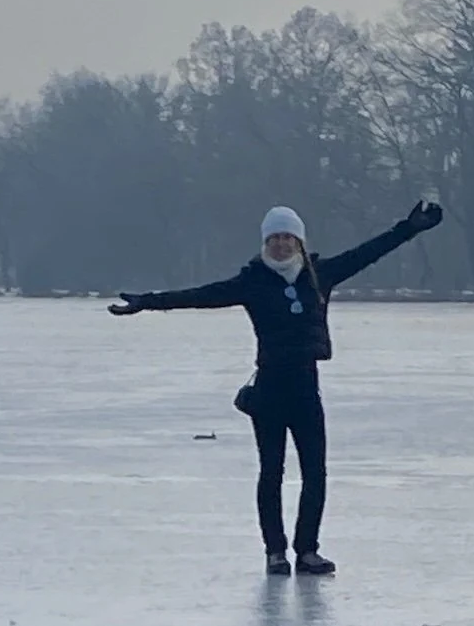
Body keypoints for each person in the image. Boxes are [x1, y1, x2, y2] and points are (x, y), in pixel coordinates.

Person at [110, 199, 444, 576]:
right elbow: (199, 296)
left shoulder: (319, 274)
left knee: (315, 472)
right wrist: (146, 303)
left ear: (299, 241)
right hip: (269, 389)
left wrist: (409, 228)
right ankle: (275, 552)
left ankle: (307, 551)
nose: (282, 244)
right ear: (265, 243)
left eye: (288, 237)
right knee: (272, 472)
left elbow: (368, 252)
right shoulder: (252, 282)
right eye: (275, 237)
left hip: (306, 387)